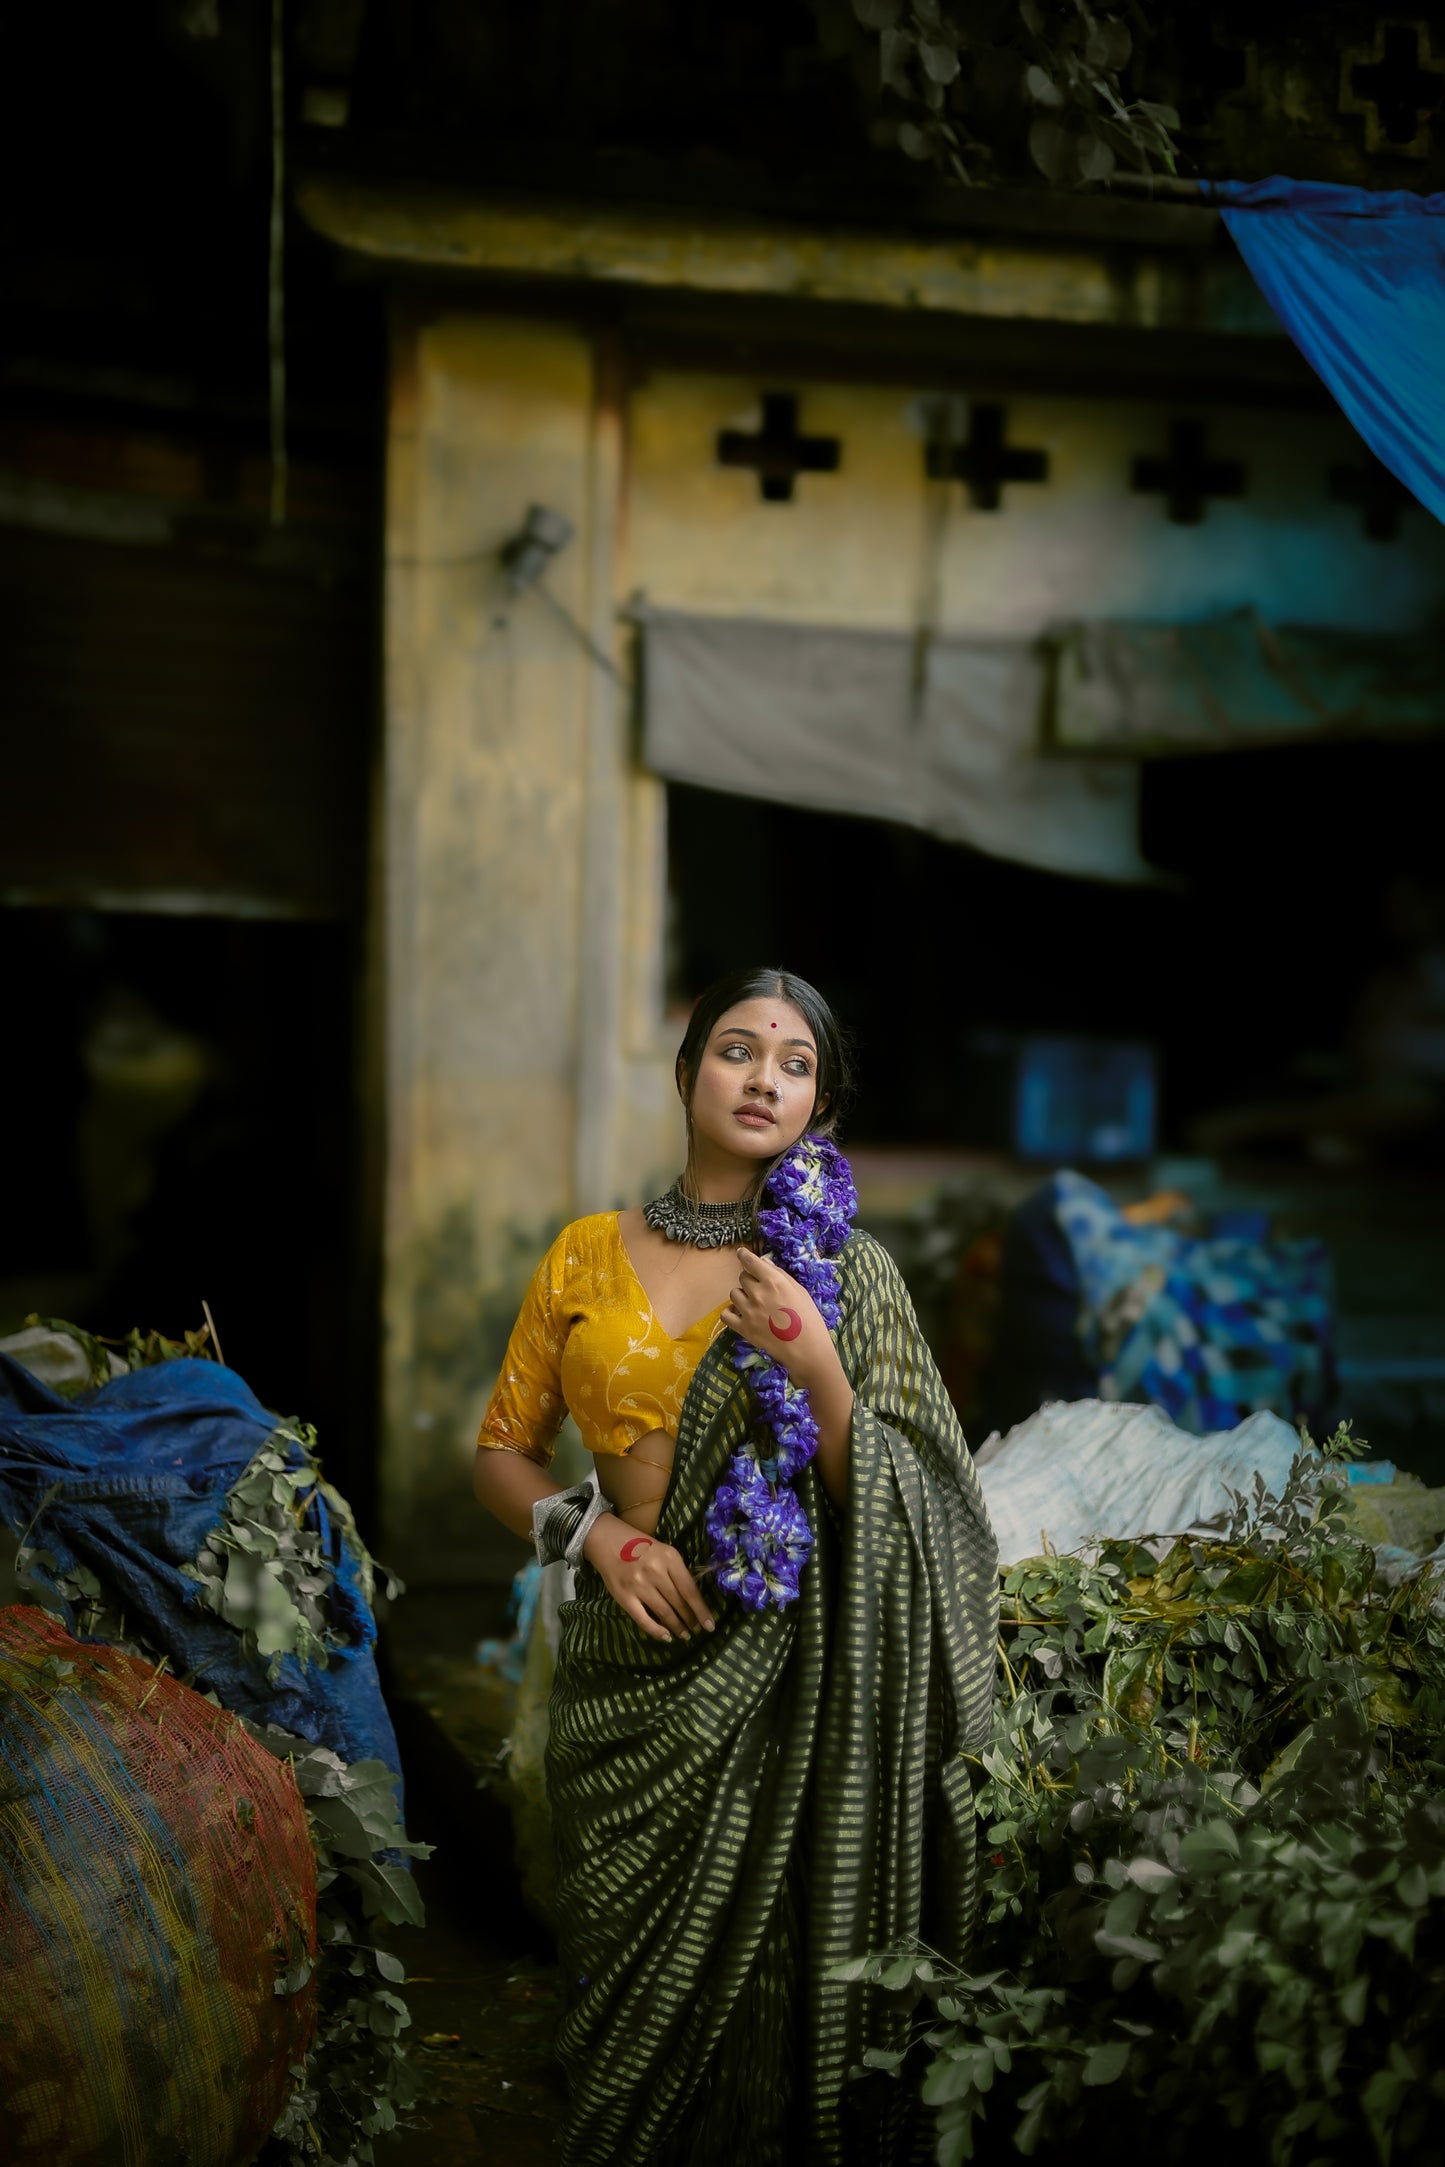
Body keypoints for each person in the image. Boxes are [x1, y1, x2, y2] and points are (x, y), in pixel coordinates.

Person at [472, 966, 999, 2166]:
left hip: (783, 1684)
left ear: (817, 1103)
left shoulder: (843, 1273)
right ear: (684, 1071)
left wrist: (814, 1363)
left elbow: (929, 1500)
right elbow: (499, 1456)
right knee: (618, 2002)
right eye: (736, 1048)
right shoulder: (582, 1255)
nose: (764, 1075)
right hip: (629, 1665)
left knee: (769, 1991)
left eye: (795, 1061)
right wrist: (595, 1536)